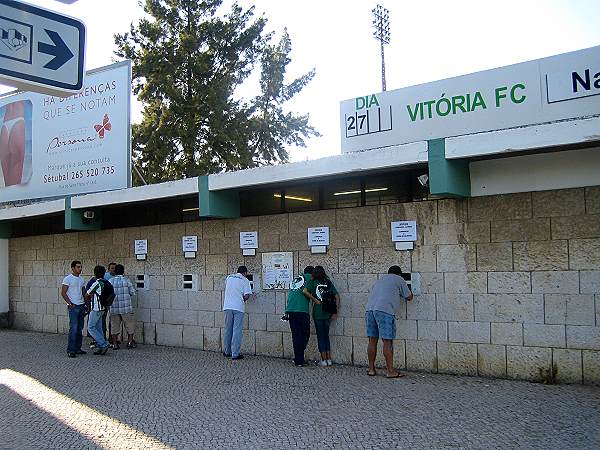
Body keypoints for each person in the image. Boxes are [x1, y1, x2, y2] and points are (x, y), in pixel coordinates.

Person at [365, 265, 413, 378]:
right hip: (384, 310)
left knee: (372, 340)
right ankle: (390, 371)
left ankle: (371, 369)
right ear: (399, 274)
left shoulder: (380, 280)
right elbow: (409, 297)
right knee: (387, 341)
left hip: (369, 310)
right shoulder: (399, 279)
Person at [303, 265, 340, 366]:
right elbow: (337, 296)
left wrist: (314, 299)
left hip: (318, 313)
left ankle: (323, 360)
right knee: (326, 336)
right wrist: (335, 311)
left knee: (320, 336)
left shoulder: (313, 282)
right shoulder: (328, 282)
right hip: (328, 313)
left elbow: (305, 291)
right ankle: (329, 359)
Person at [285, 266, 321, 367]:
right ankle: (299, 358)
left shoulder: (297, 278)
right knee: (305, 334)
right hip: (301, 310)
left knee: (296, 335)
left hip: (290, 309)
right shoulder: (310, 278)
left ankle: (298, 358)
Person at [222, 266, 252, 360]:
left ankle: (227, 351)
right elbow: (247, 295)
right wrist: (242, 299)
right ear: (245, 273)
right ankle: (235, 354)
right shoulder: (245, 280)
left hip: (227, 307)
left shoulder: (229, 277)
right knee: (237, 330)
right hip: (238, 308)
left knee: (228, 330)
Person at [61, 260, 87, 358]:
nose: (80, 269)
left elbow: (84, 292)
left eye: (80, 267)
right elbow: (63, 292)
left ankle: (78, 348)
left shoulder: (81, 279)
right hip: (73, 306)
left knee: (80, 328)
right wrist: (70, 303)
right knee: (74, 328)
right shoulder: (67, 279)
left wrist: (86, 305)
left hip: (81, 305)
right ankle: (71, 350)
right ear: (72, 268)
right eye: (78, 267)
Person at [109, 264, 137, 349]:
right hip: (126, 308)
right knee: (129, 325)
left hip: (114, 307)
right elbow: (132, 292)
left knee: (114, 326)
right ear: (123, 271)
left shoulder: (110, 281)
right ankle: (129, 342)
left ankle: (115, 344)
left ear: (115, 271)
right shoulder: (126, 281)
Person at [85, 265, 110, 355]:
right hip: (103, 308)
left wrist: (87, 307)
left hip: (96, 308)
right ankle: (101, 346)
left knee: (91, 327)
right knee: (99, 328)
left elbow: (87, 293)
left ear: (95, 273)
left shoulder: (97, 283)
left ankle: (103, 344)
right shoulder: (106, 282)